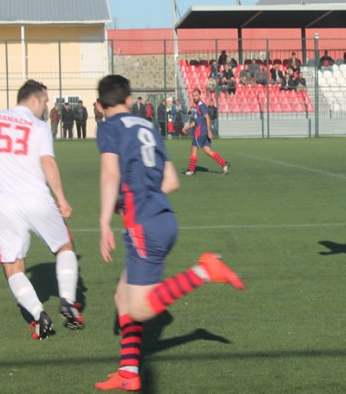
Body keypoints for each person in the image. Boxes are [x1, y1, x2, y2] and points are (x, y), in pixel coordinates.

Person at [93, 75, 245, 391]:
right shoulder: (148, 126)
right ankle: (129, 372)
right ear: (130, 100)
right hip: (161, 218)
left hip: (143, 224)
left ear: (99, 106)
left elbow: (110, 172)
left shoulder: (109, 127)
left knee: (138, 308)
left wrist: (105, 221)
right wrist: (139, 196)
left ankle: (204, 271)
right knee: (122, 296)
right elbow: (172, 181)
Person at [0, 79, 84, 340]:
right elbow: (47, 161)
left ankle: (38, 315)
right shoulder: (39, 126)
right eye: (44, 101)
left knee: (13, 265)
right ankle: (68, 301)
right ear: (33, 100)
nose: (46, 106)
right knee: (64, 246)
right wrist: (62, 198)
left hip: (5, 202)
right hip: (37, 198)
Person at [181, 88, 230, 176]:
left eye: (196, 95)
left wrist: (209, 131)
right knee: (207, 150)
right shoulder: (197, 106)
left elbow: (207, 118)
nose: (194, 97)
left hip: (200, 132)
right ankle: (224, 164)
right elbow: (196, 121)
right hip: (203, 132)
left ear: (200, 95)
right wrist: (187, 128)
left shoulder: (201, 106)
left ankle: (191, 170)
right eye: (193, 96)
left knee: (193, 149)